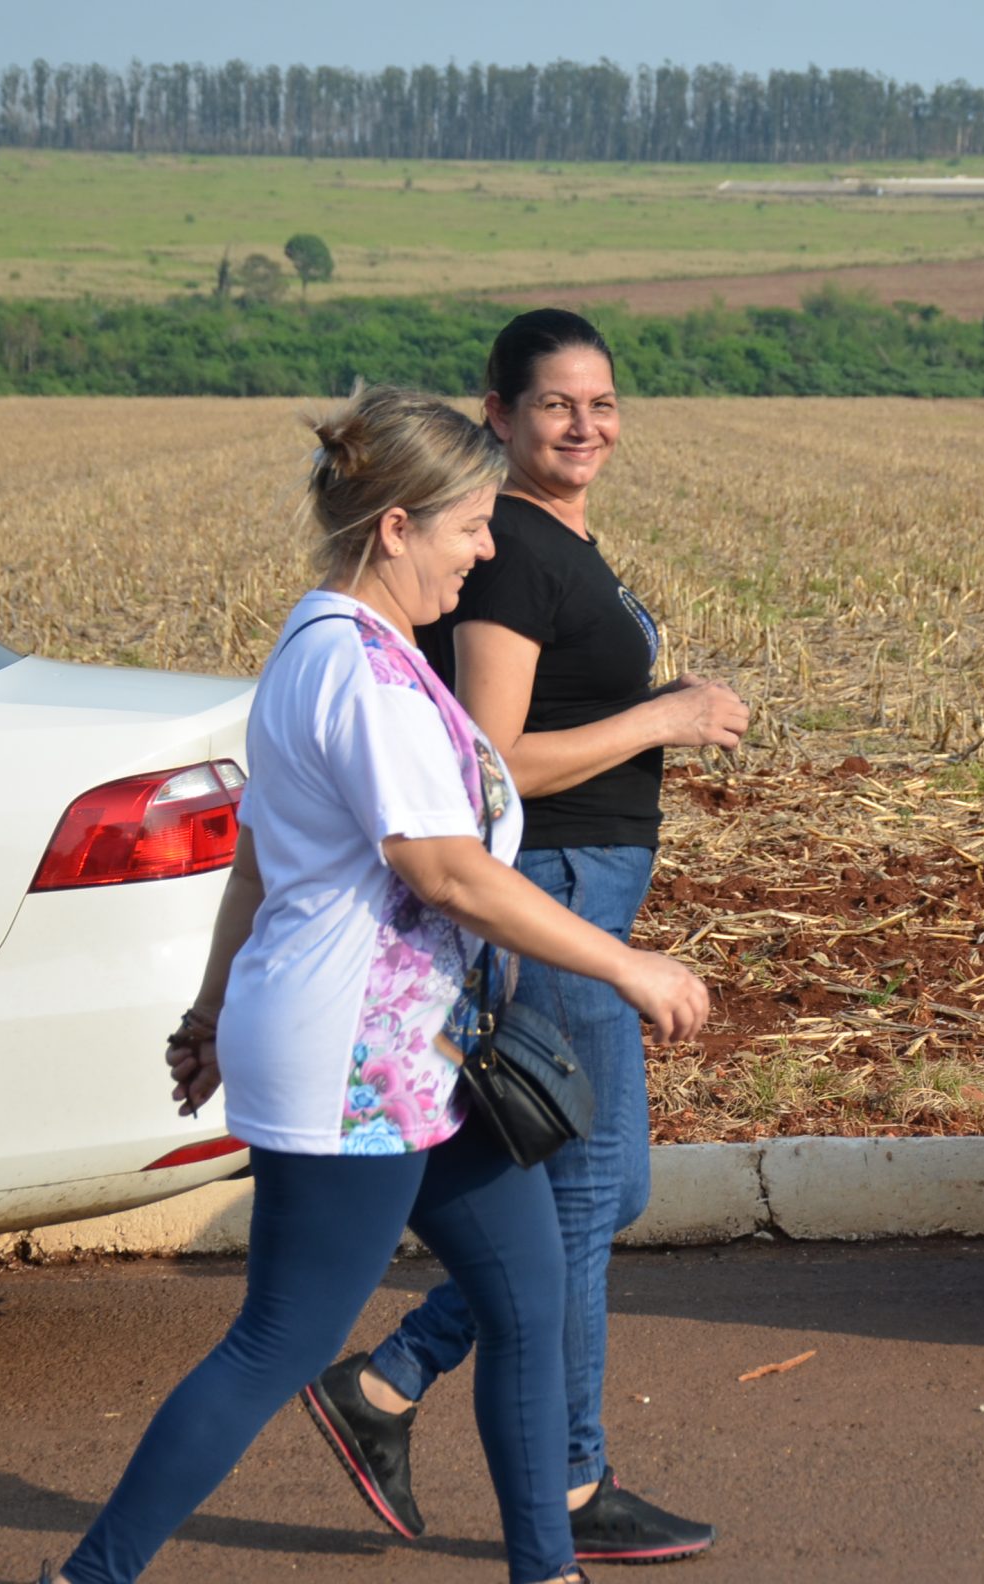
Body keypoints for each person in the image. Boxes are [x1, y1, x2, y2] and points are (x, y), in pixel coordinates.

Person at [43, 386, 709, 1584]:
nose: (487, 547)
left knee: (528, 1295)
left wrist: (209, 1013)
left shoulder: (338, 649)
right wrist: (626, 963)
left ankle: (543, 1568)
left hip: (415, 1060)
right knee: (277, 1342)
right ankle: (87, 1577)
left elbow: (260, 860)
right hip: (357, 1064)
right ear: (395, 527)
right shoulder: (359, 673)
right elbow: (445, 871)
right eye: (467, 526)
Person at [298, 311, 748, 1565]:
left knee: (607, 1192)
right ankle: (569, 1483)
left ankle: (386, 1383)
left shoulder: (555, 543)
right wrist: (661, 716)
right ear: (497, 414)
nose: (585, 424)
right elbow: (490, 760)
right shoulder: (511, 562)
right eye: (557, 404)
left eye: (602, 402)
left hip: (585, 883)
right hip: (551, 891)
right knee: (588, 1190)